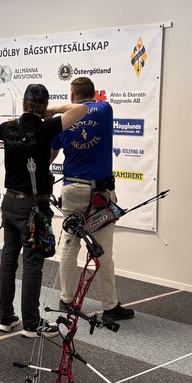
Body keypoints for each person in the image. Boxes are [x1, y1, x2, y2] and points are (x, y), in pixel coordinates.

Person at [0, 84, 89, 338]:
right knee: (32, 264)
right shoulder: (46, 127)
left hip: (10, 203)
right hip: (33, 207)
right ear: (44, 106)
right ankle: (31, 323)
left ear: (24, 103)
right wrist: (51, 111)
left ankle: (6, 317)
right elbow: (82, 109)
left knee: (8, 259)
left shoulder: (9, 128)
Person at [50, 76, 134, 323]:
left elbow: (49, 157)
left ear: (72, 95)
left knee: (70, 246)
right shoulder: (104, 109)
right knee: (103, 251)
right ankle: (110, 306)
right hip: (99, 193)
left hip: (73, 189)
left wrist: (49, 114)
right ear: (95, 94)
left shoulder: (63, 121)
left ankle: (66, 300)